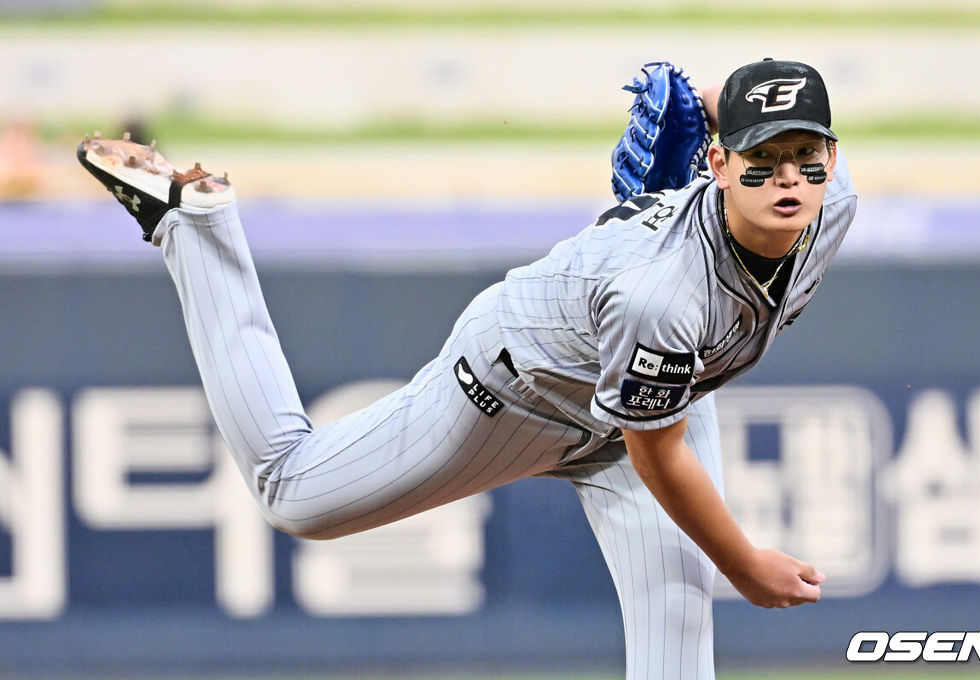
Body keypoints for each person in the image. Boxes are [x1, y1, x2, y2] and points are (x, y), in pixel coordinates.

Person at [77, 57, 856, 679]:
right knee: (292, 492)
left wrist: (709, 91)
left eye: (804, 155)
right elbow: (659, 453)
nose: (788, 178)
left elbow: (735, 97)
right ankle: (194, 225)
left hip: (639, 393)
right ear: (717, 163)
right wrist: (747, 565)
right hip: (518, 390)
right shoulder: (664, 294)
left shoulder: (833, 200)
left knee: (676, 641)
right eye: (762, 158)